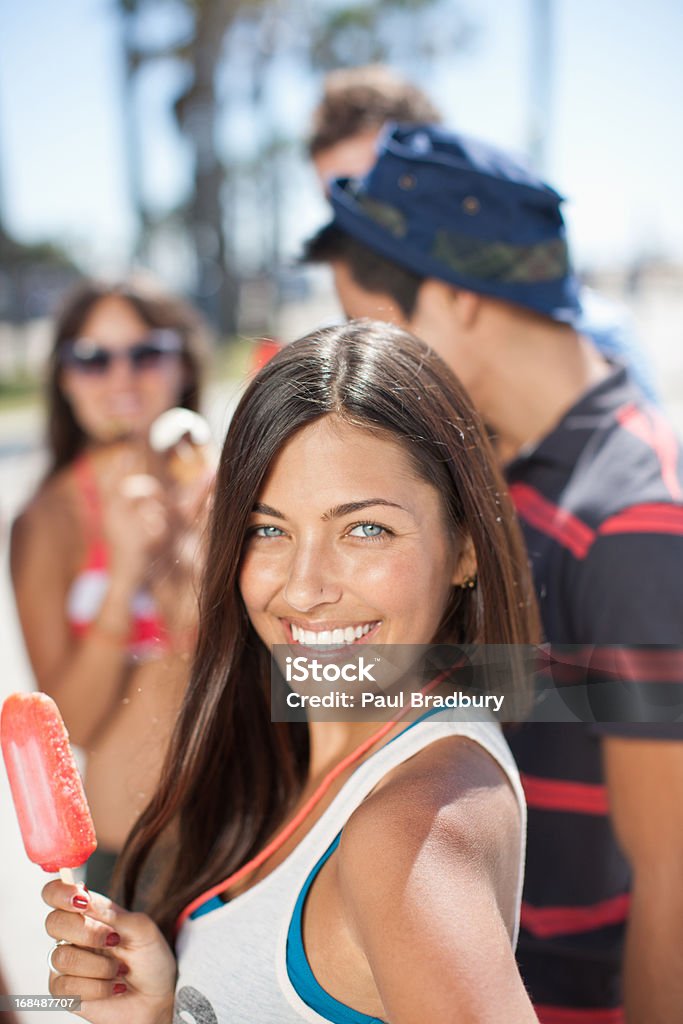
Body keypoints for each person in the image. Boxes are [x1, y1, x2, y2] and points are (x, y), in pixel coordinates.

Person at [42, 322, 541, 1023]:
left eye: (363, 529)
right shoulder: (313, 750)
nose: (303, 589)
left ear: (463, 550)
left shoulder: (405, 834)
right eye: (266, 529)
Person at [303, 125, 683, 1023]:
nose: (369, 368)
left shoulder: (633, 519)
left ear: (453, 299)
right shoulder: (490, 467)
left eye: (377, 329)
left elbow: (673, 878)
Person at [10, 278, 211, 895]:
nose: (121, 377)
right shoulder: (48, 520)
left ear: (181, 364)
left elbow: (277, 675)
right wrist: (125, 575)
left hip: (262, 835)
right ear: (65, 378)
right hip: (136, 856)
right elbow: (75, 723)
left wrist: (184, 556)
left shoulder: (229, 486)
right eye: (93, 359)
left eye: (146, 353)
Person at [308, 64, 660, 404]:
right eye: (338, 204)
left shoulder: (599, 342)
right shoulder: (336, 355)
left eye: (371, 194)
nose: (356, 226)